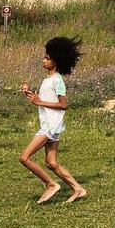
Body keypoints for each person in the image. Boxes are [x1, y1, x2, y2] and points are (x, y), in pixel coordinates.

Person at [19, 37, 87, 204]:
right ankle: (78, 189)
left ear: (56, 61)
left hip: (50, 127)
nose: (43, 60)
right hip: (51, 125)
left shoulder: (57, 80)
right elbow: (43, 100)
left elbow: (63, 105)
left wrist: (38, 102)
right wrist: (29, 93)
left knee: (25, 158)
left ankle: (50, 184)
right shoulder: (47, 80)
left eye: (47, 58)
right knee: (51, 162)